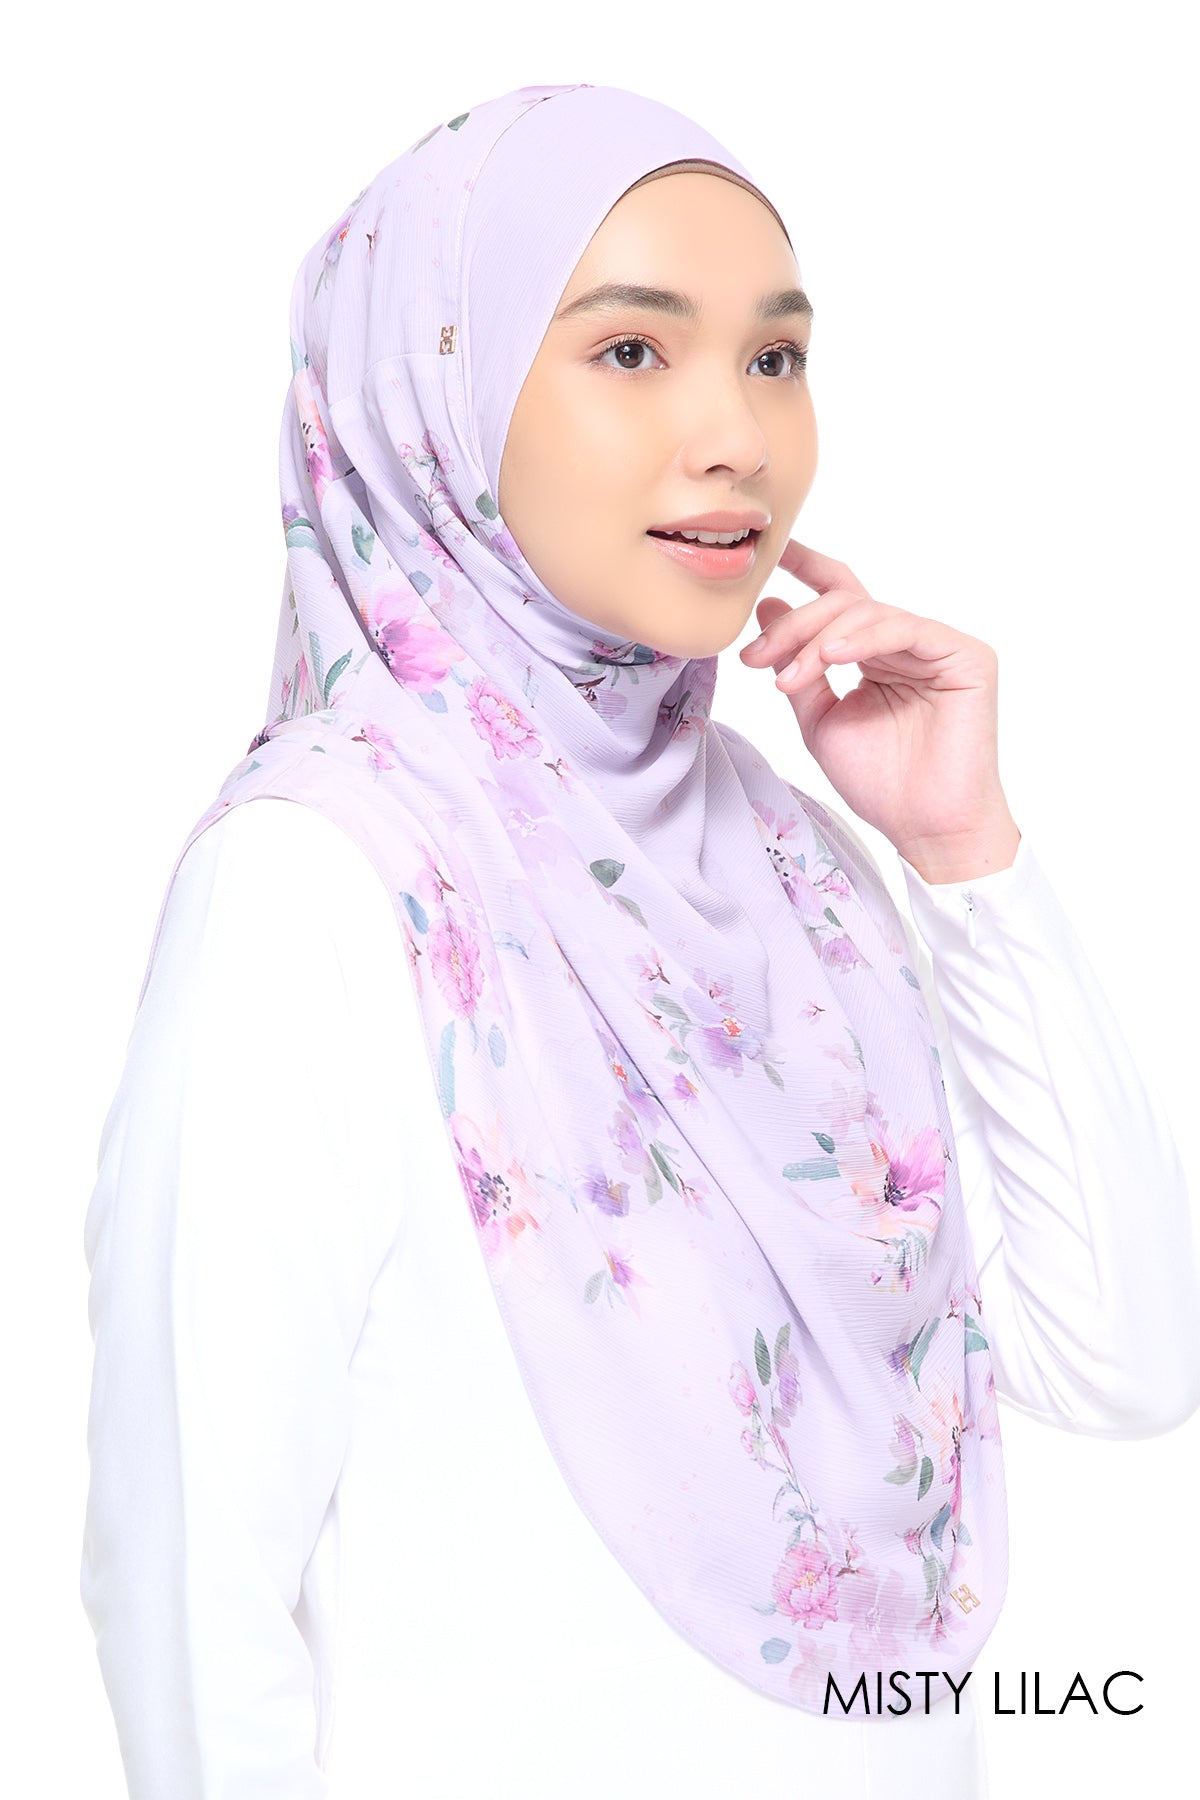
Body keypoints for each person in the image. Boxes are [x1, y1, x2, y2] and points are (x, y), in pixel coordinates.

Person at [79, 82, 1199, 1799]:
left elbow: (1124, 1363)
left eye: (774, 357)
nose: (737, 434)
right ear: (432, 402)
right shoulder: (319, 883)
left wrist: (966, 855)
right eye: (629, 351)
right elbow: (189, 1604)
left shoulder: (801, 872)